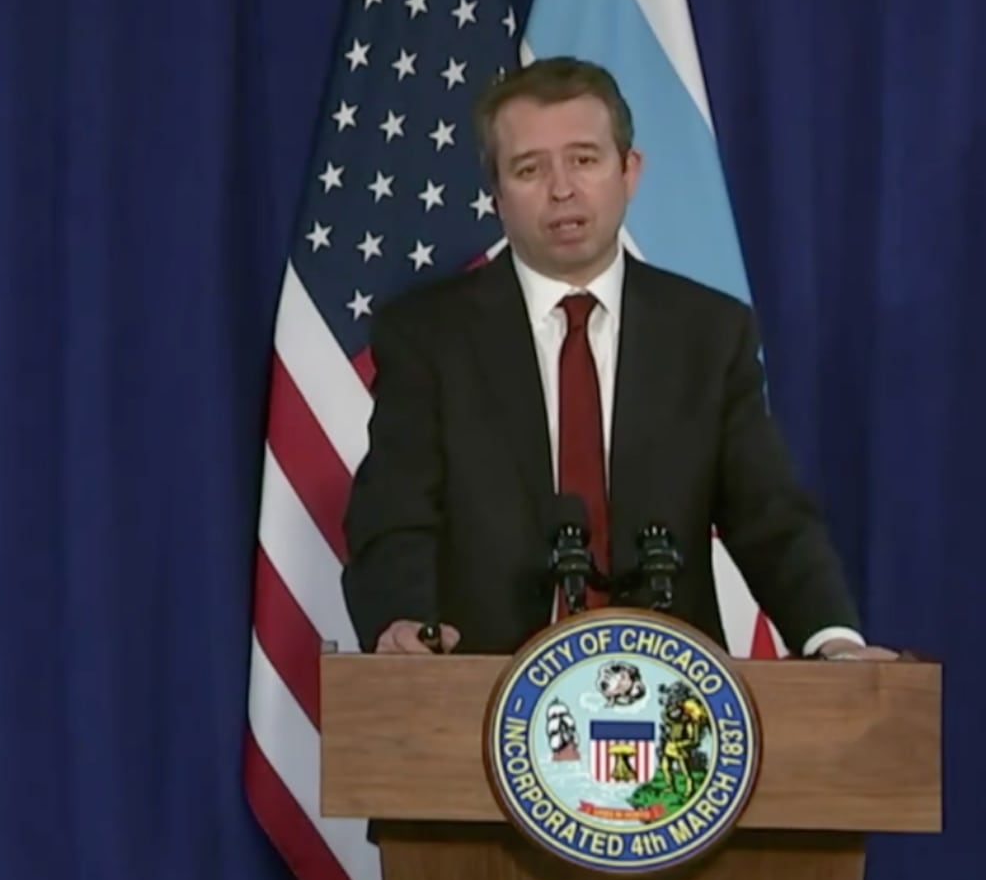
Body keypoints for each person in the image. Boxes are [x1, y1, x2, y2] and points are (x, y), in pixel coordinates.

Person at [339, 56, 896, 661]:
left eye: (584, 159)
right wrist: (403, 623)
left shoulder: (708, 332)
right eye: (530, 169)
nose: (562, 190)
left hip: (674, 695)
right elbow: (394, 513)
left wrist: (834, 641)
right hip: (481, 694)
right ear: (497, 196)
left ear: (629, 171)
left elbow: (769, 517)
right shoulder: (427, 334)